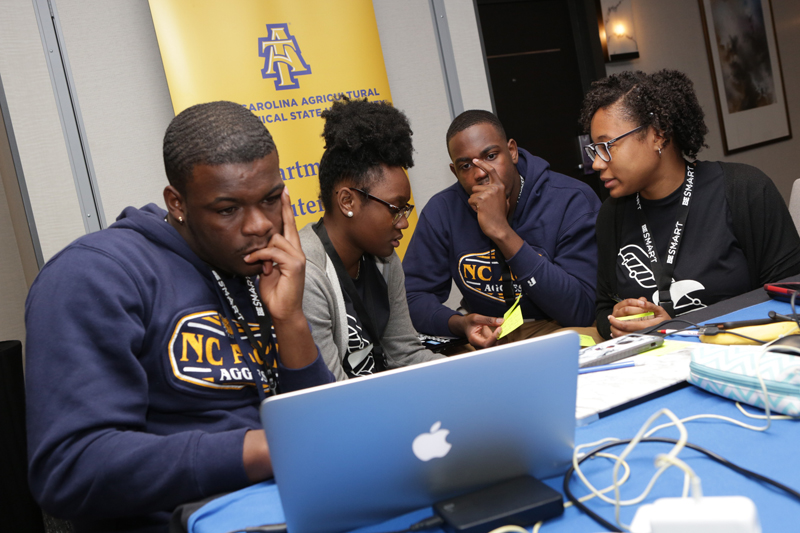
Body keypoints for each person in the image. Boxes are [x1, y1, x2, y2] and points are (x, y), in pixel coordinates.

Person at [24, 101, 334, 533]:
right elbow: (71, 467)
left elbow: (321, 435)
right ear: (177, 203)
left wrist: (290, 318)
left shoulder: (260, 268)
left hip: (297, 508)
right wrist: (265, 450)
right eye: (227, 209)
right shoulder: (94, 275)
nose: (259, 225)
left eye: (269, 200)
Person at [581, 70, 800, 340]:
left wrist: (682, 327)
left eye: (607, 146)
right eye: (594, 150)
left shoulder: (744, 190)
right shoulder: (612, 214)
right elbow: (604, 308)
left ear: (658, 134)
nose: (596, 163)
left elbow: (790, 295)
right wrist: (617, 320)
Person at [403, 110, 601, 349]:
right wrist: (459, 324)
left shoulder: (570, 199)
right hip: (487, 334)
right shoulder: (443, 210)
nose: (480, 173)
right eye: (466, 166)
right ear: (455, 172)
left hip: (557, 327)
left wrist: (502, 232)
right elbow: (412, 297)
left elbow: (581, 310)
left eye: (491, 156)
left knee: (588, 343)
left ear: (512, 151)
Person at [299, 98, 443, 379]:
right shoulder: (306, 274)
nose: (404, 222)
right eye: (395, 208)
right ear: (347, 201)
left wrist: (467, 376)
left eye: (405, 209)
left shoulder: (385, 261)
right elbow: (329, 390)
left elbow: (405, 354)